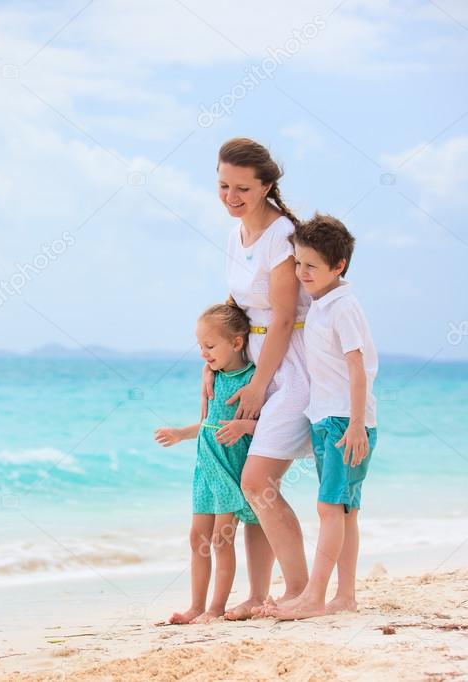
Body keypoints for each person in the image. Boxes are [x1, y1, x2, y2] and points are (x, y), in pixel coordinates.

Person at [208, 138, 313, 619]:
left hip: (290, 367)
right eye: (224, 184)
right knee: (254, 488)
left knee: (258, 481)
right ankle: (257, 595)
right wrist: (213, 366)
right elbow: (237, 310)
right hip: (252, 362)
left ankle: (299, 591)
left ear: (267, 185)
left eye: (243, 188)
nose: (231, 195)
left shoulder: (283, 233)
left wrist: (258, 385)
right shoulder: (236, 236)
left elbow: (286, 316)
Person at [270, 214, 378, 620]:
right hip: (329, 418)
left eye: (311, 266)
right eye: (297, 264)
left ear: (338, 266)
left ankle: (315, 596)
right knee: (344, 510)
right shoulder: (321, 303)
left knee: (329, 508)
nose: (301, 273)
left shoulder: (342, 307)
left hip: (342, 422)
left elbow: (358, 366)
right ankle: (344, 597)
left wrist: (354, 424)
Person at [155, 303, 260, 624]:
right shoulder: (212, 377)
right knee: (197, 538)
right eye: (200, 346)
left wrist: (244, 427)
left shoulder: (252, 379)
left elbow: (271, 426)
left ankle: (215, 608)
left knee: (221, 539)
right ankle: (196, 606)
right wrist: (181, 434)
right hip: (205, 468)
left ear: (237, 343)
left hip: (230, 468)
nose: (203, 353)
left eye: (210, 346)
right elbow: (209, 424)